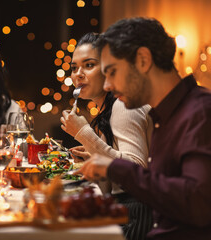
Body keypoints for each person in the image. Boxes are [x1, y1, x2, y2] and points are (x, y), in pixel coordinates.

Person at [77, 17, 211, 239]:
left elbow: (198, 204)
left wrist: (117, 168)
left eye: (111, 72)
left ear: (142, 60)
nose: (107, 85)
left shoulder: (199, 113)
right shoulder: (163, 116)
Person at [60, 32, 153, 240]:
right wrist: (94, 157)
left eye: (89, 65)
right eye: (74, 68)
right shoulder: (107, 108)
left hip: (140, 213)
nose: (78, 74)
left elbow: (135, 171)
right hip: (126, 208)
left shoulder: (124, 105)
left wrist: (84, 134)